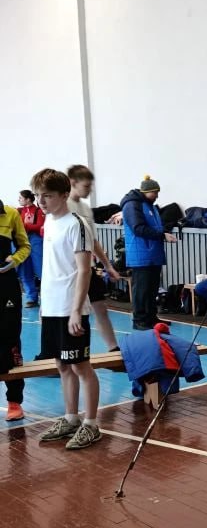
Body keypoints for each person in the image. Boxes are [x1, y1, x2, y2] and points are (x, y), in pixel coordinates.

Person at [30, 169, 101, 449]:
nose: (41, 201)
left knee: (80, 365)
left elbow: (84, 270)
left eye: (46, 195)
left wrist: (75, 310)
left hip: (72, 308)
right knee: (61, 364)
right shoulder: (49, 222)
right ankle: (71, 418)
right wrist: (44, 306)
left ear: (63, 195)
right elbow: (52, 268)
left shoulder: (77, 225)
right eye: (38, 195)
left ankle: (91, 424)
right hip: (52, 307)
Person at [67, 165, 121, 351]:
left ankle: (113, 348)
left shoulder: (85, 209)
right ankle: (64, 351)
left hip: (88, 268)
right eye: (86, 185)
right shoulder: (64, 207)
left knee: (101, 308)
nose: (89, 190)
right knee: (73, 311)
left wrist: (108, 266)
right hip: (71, 270)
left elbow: (93, 240)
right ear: (73, 182)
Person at [120, 175, 177, 330]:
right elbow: (138, 228)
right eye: (155, 192)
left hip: (152, 253)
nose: (157, 195)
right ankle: (139, 320)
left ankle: (151, 317)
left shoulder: (149, 205)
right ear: (146, 191)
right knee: (142, 289)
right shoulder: (132, 205)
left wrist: (164, 231)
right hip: (141, 254)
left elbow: (155, 226)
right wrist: (162, 235)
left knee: (152, 288)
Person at [0, 200, 31, 421]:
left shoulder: (10, 214)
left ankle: (14, 401)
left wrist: (14, 260)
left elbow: (25, 246)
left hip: (6, 285)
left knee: (11, 341)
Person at [16, 189, 44, 308]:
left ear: (28, 199)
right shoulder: (19, 211)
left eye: (21, 198)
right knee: (25, 271)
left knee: (41, 270)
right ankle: (31, 298)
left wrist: (26, 225)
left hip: (35, 241)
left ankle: (48, 297)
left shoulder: (38, 210)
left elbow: (40, 226)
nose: (18, 200)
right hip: (23, 241)